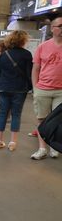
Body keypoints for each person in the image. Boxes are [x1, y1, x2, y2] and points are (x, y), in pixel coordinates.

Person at [0, 30, 32, 151]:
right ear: (23, 40)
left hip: (3, 87)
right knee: (16, 114)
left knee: (3, 113)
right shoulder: (27, 54)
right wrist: (30, 87)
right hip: (20, 88)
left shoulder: (4, 55)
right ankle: (12, 142)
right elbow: (29, 73)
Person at [30, 15, 62, 160]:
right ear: (52, 28)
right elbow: (35, 69)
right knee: (41, 120)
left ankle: (54, 147)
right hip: (43, 89)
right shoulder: (43, 47)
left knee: (58, 120)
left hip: (60, 91)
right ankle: (42, 148)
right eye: (60, 26)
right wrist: (35, 88)